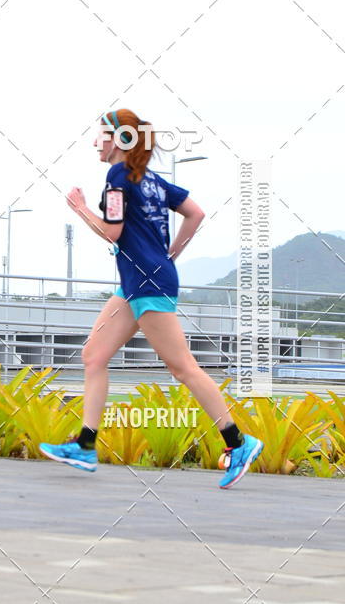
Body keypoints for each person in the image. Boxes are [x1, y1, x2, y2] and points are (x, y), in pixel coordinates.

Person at [39, 108, 263, 489]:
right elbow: (195, 213)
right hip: (137, 283)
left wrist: (80, 209)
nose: (95, 142)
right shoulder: (154, 181)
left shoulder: (117, 176)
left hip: (148, 284)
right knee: (94, 355)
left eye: (100, 135)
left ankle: (239, 443)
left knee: (183, 368)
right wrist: (171, 253)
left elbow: (112, 232)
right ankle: (86, 446)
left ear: (118, 138)